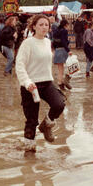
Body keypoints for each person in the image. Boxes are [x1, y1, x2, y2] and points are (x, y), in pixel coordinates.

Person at [15, 14, 66, 152]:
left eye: (46, 25)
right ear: (34, 26)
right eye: (41, 24)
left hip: (47, 82)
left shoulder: (48, 42)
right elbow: (19, 65)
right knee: (31, 120)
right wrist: (26, 82)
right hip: (31, 86)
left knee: (59, 104)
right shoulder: (27, 43)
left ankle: (46, 126)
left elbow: (46, 61)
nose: (44, 27)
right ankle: (29, 151)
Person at [52, 19, 72, 90]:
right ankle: (62, 82)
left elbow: (54, 41)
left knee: (60, 69)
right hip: (62, 50)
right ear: (65, 25)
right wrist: (68, 50)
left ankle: (60, 83)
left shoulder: (56, 31)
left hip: (57, 50)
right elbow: (63, 42)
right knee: (70, 65)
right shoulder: (64, 31)